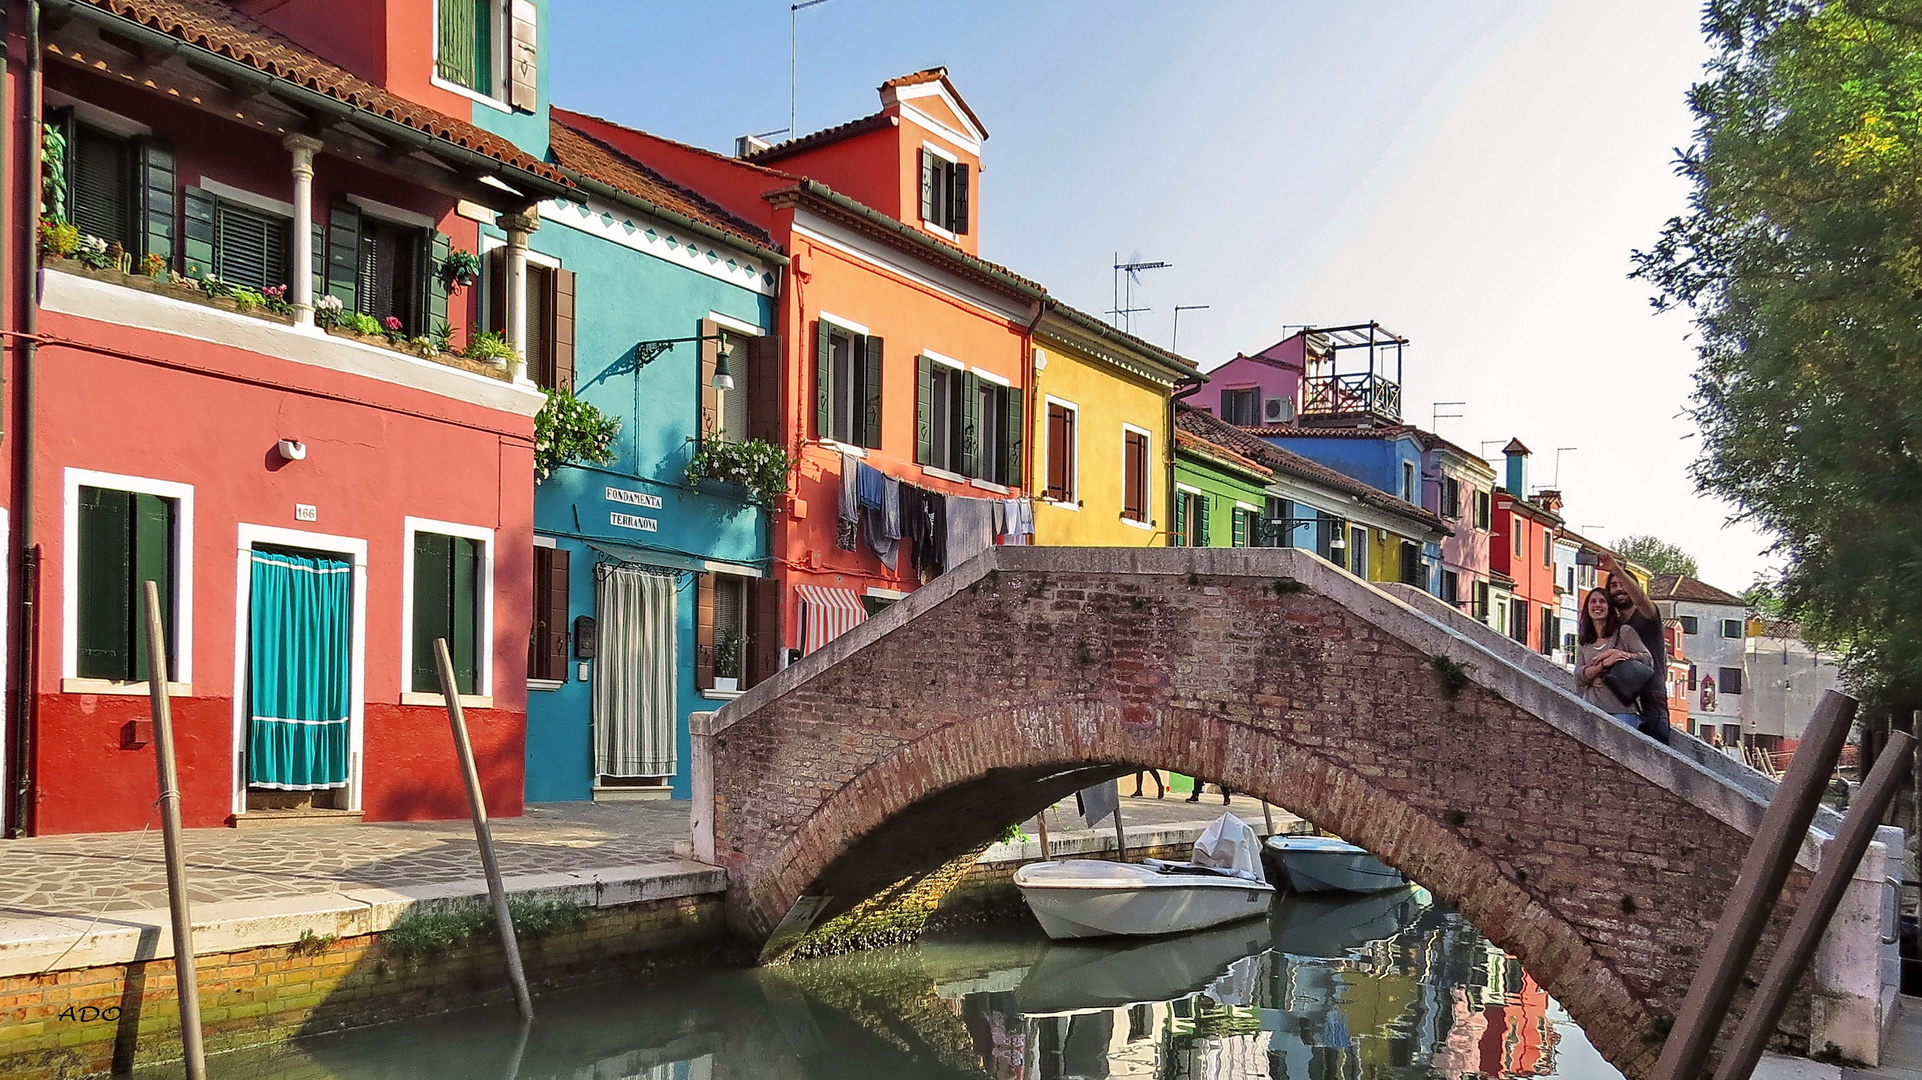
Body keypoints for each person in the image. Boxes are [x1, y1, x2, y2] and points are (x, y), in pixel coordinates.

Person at [1599, 552, 1673, 744]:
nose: (1618, 589)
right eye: (1613, 586)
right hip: (1619, 703)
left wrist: (1615, 570)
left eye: (1622, 584)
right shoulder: (1611, 626)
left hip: (1651, 702)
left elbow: (1640, 599)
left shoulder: (1648, 616)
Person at [1576, 587, 1653, 727]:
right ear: (1587, 607)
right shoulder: (1585, 641)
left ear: (1610, 607)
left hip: (1623, 711)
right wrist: (1603, 664)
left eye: (1602, 601)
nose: (1597, 605)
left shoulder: (1624, 633)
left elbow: (1647, 659)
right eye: (1593, 601)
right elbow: (1578, 677)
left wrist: (1621, 655)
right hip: (1591, 708)